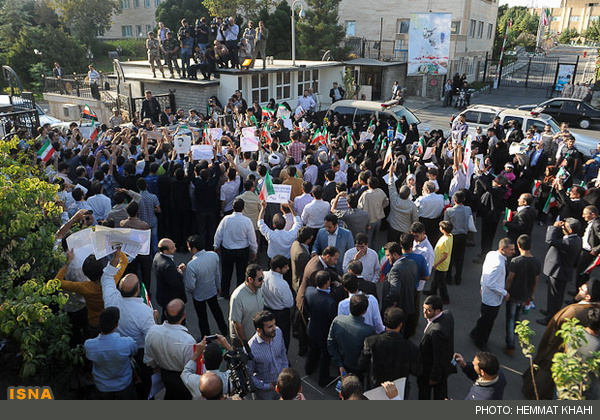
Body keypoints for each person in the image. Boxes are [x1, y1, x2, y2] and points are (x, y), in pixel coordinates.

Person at [523, 279, 600, 399]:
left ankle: (533, 393)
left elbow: (555, 329)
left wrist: (547, 347)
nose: (579, 288)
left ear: (588, 297)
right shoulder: (594, 309)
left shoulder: (575, 311)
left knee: (543, 375)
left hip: (555, 347)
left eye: (583, 289)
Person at [358, 307, 421, 394]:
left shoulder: (370, 342)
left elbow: (361, 365)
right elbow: (417, 370)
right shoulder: (410, 347)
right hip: (399, 390)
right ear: (401, 325)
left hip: (375, 389)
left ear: (384, 322)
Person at [144, 299, 195, 400]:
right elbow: (191, 368)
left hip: (164, 374)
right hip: (182, 378)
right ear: (184, 315)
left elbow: (149, 358)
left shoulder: (152, 331)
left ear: (165, 314)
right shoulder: (187, 340)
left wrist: (155, 367)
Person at [470, 238, 515, 350]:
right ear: (502, 249)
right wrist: (505, 293)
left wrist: (482, 285)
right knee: (488, 321)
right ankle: (480, 342)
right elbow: (491, 283)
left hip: (487, 294)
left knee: (484, 317)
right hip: (492, 298)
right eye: (511, 249)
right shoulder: (499, 264)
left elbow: (484, 272)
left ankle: (475, 333)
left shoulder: (491, 254)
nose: (513, 252)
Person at [84, 307, 138, 400]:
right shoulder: (127, 343)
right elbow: (134, 352)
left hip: (102, 386)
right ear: (116, 325)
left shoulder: (89, 345)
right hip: (124, 385)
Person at [537, 218, 582, 325]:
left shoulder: (568, 242)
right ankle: (550, 312)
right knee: (555, 295)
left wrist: (554, 227)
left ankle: (551, 318)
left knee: (555, 296)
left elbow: (550, 240)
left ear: (570, 230)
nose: (562, 227)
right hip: (562, 270)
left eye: (564, 226)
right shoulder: (576, 239)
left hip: (559, 271)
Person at [214, 198, 258, 299]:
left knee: (226, 273)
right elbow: (252, 238)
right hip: (242, 251)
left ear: (232, 207)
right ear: (243, 208)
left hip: (227, 250)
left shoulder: (226, 219)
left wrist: (216, 246)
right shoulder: (247, 221)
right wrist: (254, 250)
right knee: (241, 274)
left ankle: (225, 293)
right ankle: (239, 294)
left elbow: (218, 234)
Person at [185, 234, 228, 337]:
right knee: (217, 311)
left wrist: (191, 292)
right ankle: (224, 329)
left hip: (198, 295)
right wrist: (218, 286)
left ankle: (206, 337)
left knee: (202, 317)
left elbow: (190, 286)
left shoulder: (191, 265)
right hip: (212, 290)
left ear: (194, 249)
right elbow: (217, 273)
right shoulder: (213, 255)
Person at [504, 234, 540, 356]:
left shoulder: (516, 261)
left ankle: (510, 346)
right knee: (517, 317)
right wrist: (532, 294)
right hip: (525, 295)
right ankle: (517, 331)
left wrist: (505, 291)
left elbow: (510, 279)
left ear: (518, 245)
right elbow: (535, 281)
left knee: (510, 319)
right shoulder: (536, 262)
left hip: (514, 294)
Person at [417, 295, 456, 400]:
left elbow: (439, 356)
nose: (424, 312)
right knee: (440, 392)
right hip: (443, 368)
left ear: (438, 311)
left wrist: (434, 377)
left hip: (430, 370)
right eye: (424, 308)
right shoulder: (447, 315)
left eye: (428, 310)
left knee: (425, 393)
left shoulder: (436, 332)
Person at [328, 294, 376, 378]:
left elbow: (331, 343)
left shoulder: (337, 321)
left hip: (343, 366)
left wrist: (340, 365)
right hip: (359, 371)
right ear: (365, 311)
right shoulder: (369, 331)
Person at [304, 271, 338, 386]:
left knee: (312, 350)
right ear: (327, 282)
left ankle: (308, 369)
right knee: (325, 356)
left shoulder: (309, 291)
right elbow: (333, 319)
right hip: (324, 333)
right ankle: (323, 379)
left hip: (312, 327)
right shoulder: (330, 302)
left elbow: (306, 306)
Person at [247, 310, 289, 400]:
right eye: (270, 327)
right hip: (264, 392)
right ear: (259, 330)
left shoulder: (278, 332)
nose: (274, 328)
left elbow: (283, 352)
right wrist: (265, 386)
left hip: (281, 383)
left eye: (274, 324)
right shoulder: (251, 349)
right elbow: (248, 374)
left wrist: (285, 370)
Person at [180, 334, 233, 400]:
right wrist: (228, 347)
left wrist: (197, 353)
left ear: (202, 361)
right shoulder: (228, 379)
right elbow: (240, 368)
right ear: (222, 360)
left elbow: (185, 372)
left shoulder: (195, 381)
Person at [262, 255, 294, 350]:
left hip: (267, 309)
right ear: (278, 269)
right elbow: (289, 303)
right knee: (283, 337)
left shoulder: (264, 275)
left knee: (268, 335)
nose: (288, 269)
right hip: (281, 314)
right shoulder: (282, 284)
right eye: (285, 267)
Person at [382, 242, 418, 326]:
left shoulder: (396, 269)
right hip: (409, 305)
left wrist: (388, 304)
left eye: (388, 255)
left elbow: (395, 291)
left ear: (395, 254)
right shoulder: (412, 263)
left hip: (397, 310)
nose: (387, 258)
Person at [229, 263, 265, 345]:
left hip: (257, 336)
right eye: (260, 279)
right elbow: (237, 323)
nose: (262, 281)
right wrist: (245, 343)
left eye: (263, 278)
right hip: (242, 339)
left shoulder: (259, 289)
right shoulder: (237, 297)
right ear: (250, 279)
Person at [153, 238, 187, 319]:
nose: (175, 248)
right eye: (172, 248)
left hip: (162, 294)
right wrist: (180, 274)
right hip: (170, 298)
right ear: (165, 251)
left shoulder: (158, 256)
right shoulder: (168, 265)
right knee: (171, 318)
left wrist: (176, 269)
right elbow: (176, 283)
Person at [443, 191, 471, 286]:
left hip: (452, 235)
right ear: (464, 199)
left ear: (454, 200)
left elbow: (445, 223)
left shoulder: (449, 211)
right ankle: (458, 277)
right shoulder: (468, 209)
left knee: (450, 257)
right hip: (463, 235)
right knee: (460, 257)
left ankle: (448, 277)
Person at [424, 221, 454, 304]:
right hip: (440, 263)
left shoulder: (446, 240)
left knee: (441, 282)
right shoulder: (449, 236)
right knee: (436, 278)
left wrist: (436, 264)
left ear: (443, 229)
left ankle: (445, 298)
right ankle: (432, 291)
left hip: (441, 264)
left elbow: (445, 255)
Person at [357, 176, 389, 248]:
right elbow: (386, 202)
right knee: (375, 238)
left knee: (368, 239)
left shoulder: (365, 194)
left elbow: (359, 207)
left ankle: (368, 252)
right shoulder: (380, 192)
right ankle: (375, 251)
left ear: (368, 185)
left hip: (369, 220)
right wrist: (381, 208)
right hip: (378, 219)